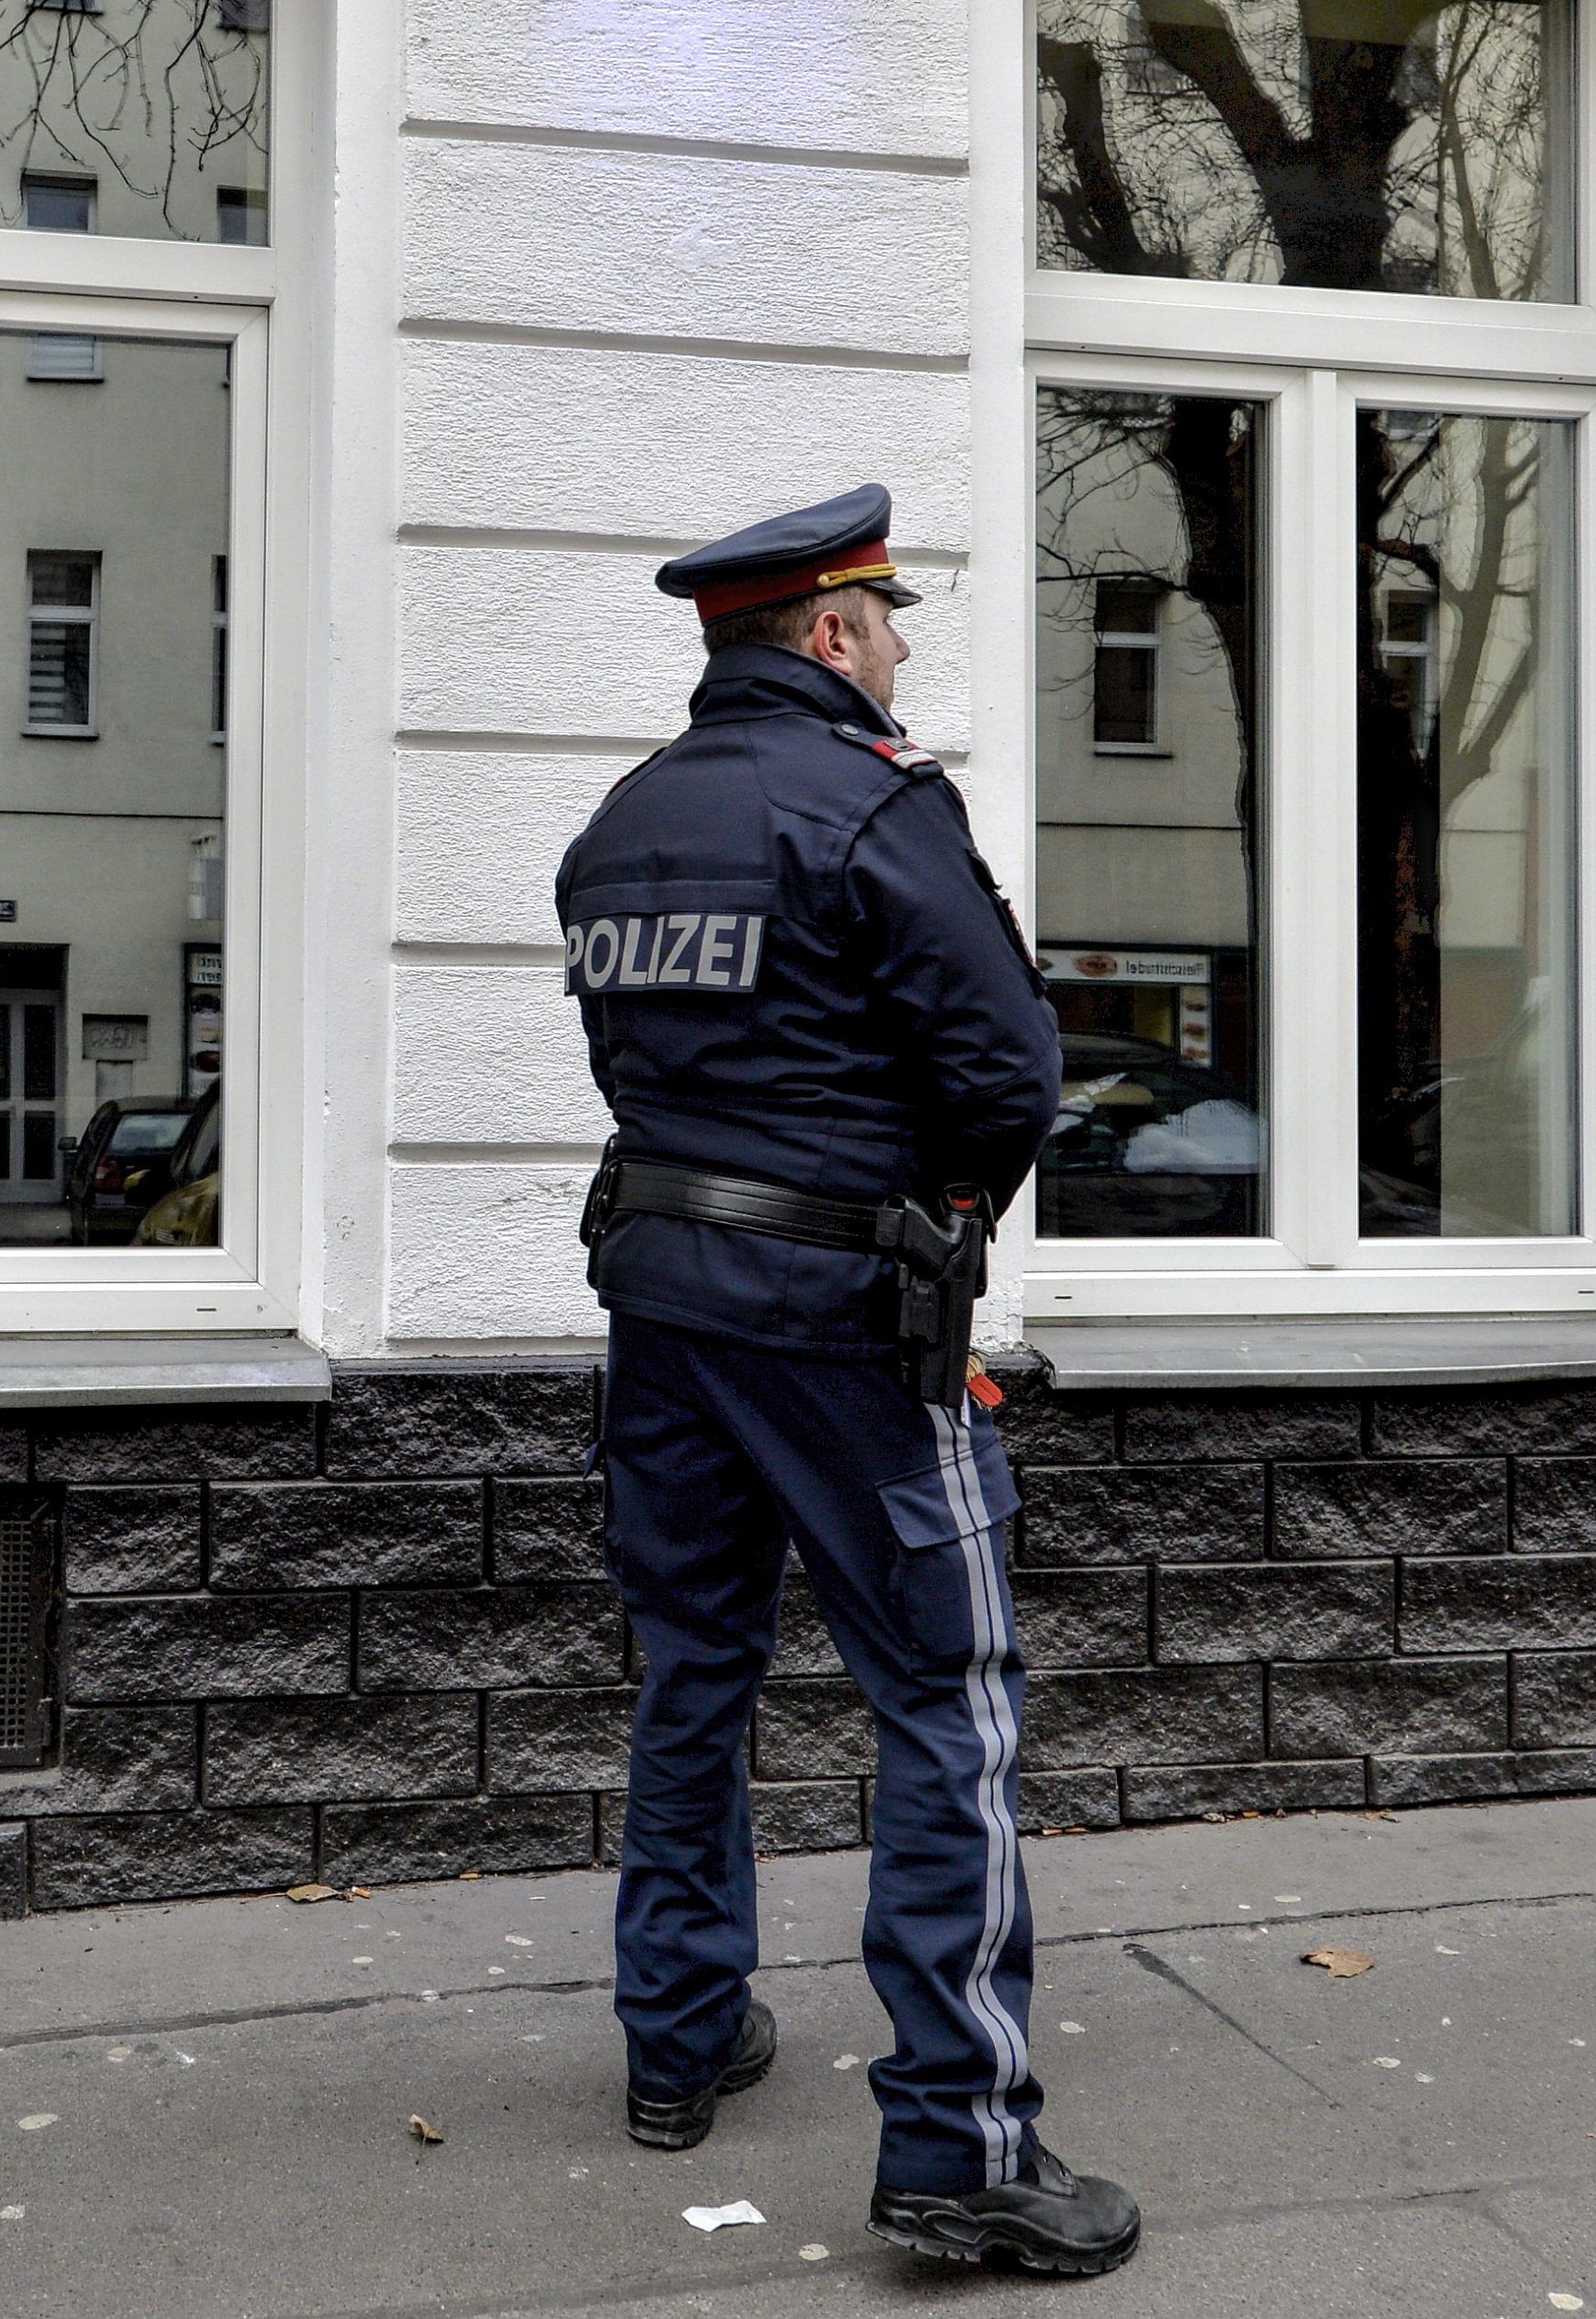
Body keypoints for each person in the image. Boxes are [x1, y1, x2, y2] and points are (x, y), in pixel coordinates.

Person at [556, 486, 1139, 2274]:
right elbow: (1011, 1070)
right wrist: (939, 1226)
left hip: (661, 1313)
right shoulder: (877, 804)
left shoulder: (620, 829)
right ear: (824, 635)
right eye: (884, 619)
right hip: (844, 1330)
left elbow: (645, 1063)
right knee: (946, 1706)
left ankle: (676, 2037)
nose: (896, 645)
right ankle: (962, 2141)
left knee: (691, 1672)